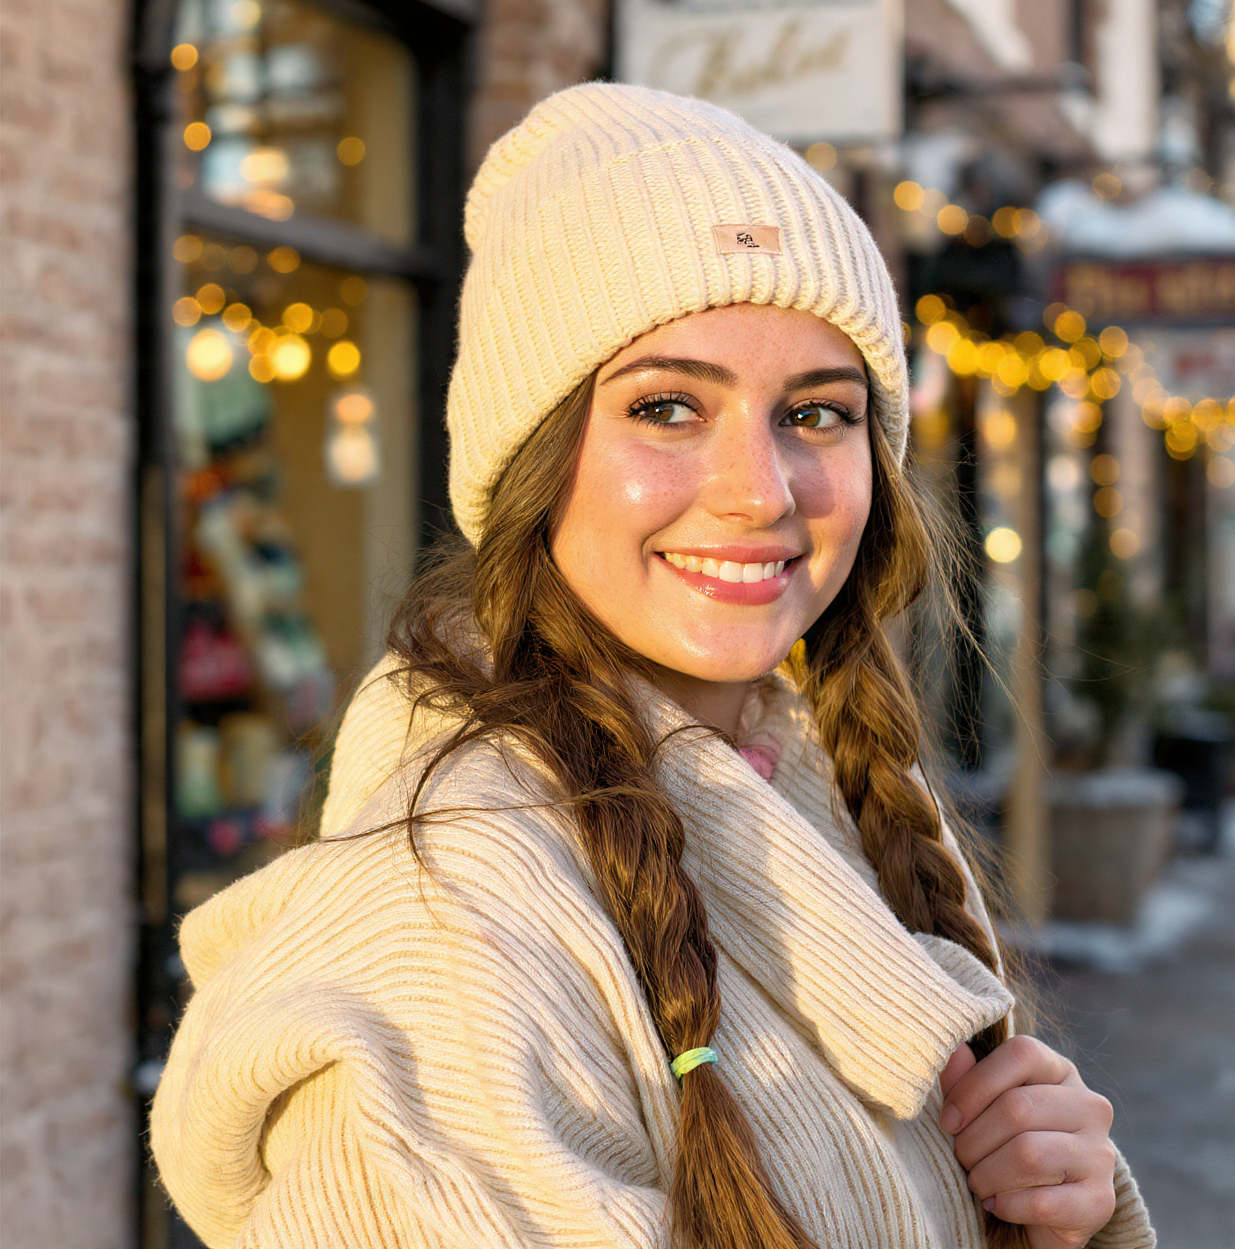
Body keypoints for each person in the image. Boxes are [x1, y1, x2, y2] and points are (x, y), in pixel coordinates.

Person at [151, 83, 1155, 1249]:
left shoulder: (828, 793)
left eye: (816, 414)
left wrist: (1056, 1209)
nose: (759, 491)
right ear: (533, 461)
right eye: (668, 406)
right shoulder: (449, 936)